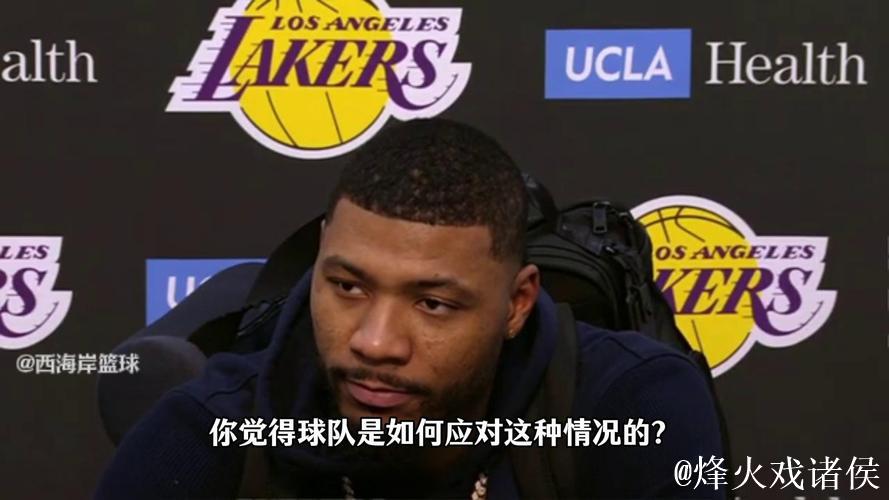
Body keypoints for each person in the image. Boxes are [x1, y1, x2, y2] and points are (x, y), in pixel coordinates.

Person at [95, 118, 726, 499]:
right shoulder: (211, 430)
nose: (375, 342)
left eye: (433, 303)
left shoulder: (635, 406)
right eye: (348, 287)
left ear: (517, 304)